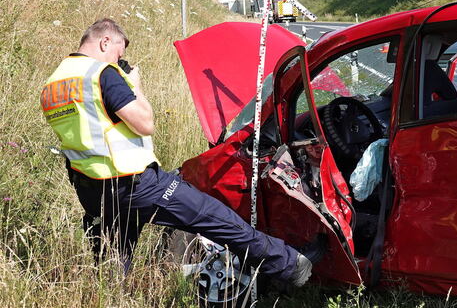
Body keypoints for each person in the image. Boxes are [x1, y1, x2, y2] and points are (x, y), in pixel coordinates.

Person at [40, 18, 314, 286]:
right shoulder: (103, 74)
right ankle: (290, 265)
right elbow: (145, 124)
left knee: (113, 258)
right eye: (118, 53)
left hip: (92, 190)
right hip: (136, 184)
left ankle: (111, 297)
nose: (118, 61)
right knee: (216, 217)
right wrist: (134, 85)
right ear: (105, 41)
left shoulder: (54, 84)